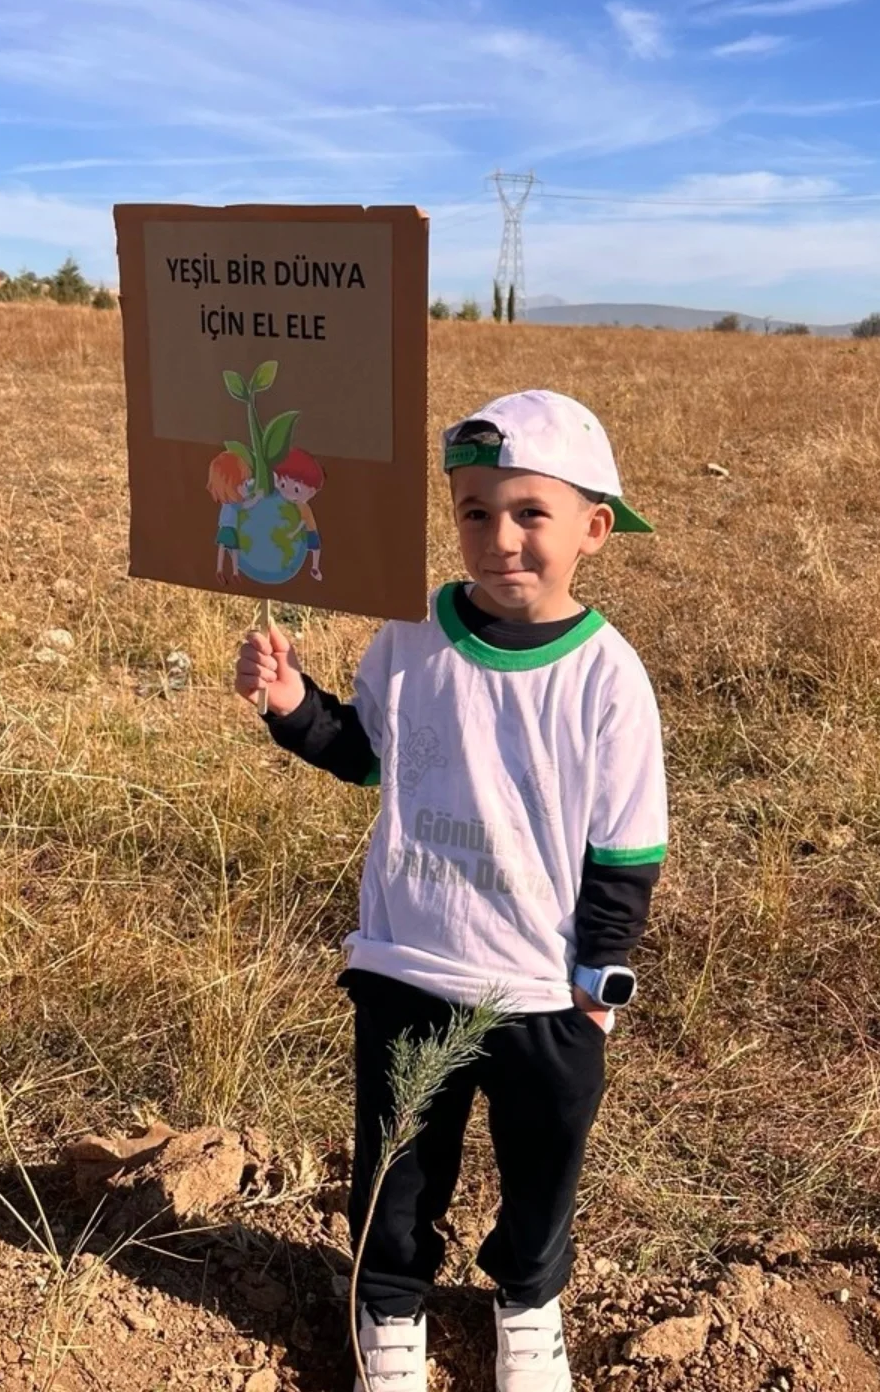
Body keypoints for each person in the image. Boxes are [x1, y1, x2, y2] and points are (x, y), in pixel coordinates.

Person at [235, 390, 668, 1392]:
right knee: (396, 1168)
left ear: (594, 529)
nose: (500, 538)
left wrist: (596, 986)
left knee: (541, 1167)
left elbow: (626, 848)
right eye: (476, 512)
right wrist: (294, 705)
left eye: (531, 514)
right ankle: (388, 1313)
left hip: (541, 994)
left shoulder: (608, 678)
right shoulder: (409, 636)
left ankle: (527, 1303)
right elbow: (366, 752)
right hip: (408, 965)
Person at [272, 447, 325, 581]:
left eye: (296, 489)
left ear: (312, 492)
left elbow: (303, 522)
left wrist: (293, 533)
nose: (288, 493)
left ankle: (314, 567)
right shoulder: (289, 504)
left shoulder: (302, 506)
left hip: (309, 530)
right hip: (295, 533)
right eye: (283, 484)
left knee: (314, 548)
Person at [207, 450, 259, 583]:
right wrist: (257, 497)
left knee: (224, 548)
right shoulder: (233, 503)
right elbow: (247, 505)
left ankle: (226, 571)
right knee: (231, 549)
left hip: (226, 527)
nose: (246, 487)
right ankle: (230, 571)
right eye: (243, 483)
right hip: (229, 528)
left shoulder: (227, 501)